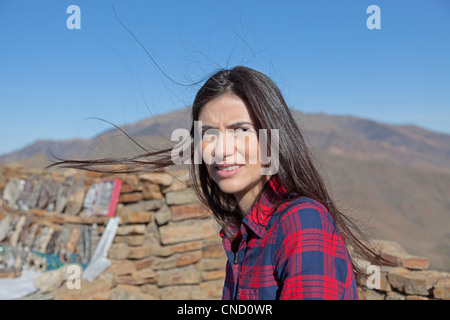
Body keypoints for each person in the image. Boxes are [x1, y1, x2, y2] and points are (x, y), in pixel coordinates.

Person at [50, 65, 381, 300]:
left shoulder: (301, 221)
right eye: (208, 134)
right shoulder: (244, 235)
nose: (222, 149)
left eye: (240, 130)